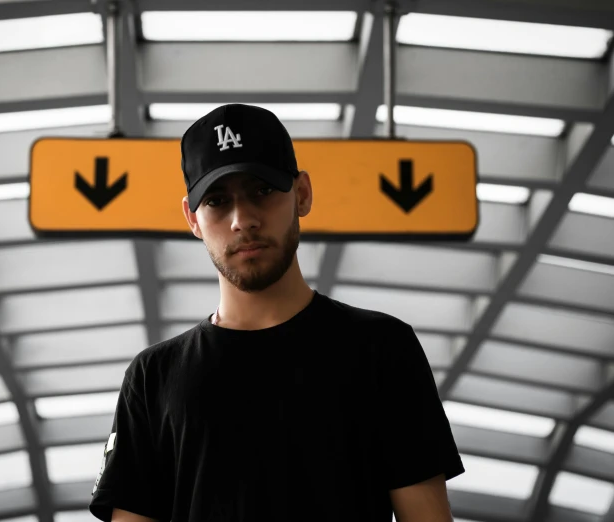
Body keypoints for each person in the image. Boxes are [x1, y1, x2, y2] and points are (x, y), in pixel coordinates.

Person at [89, 104, 465, 522]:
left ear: (301, 194)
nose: (242, 219)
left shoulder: (381, 349)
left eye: (262, 190)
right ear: (193, 219)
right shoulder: (153, 377)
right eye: (216, 200)